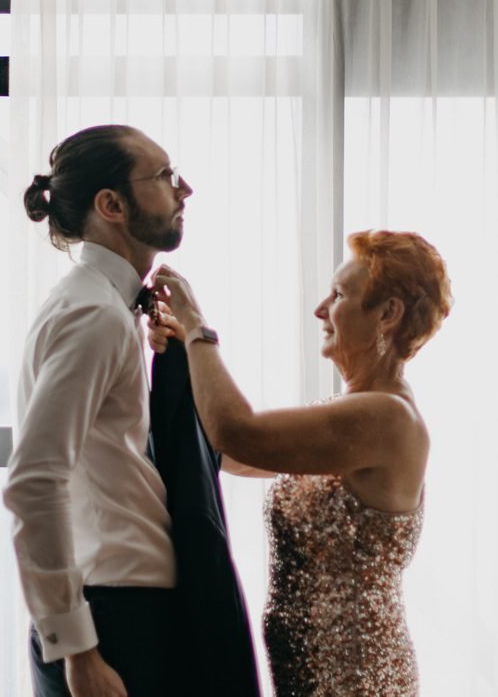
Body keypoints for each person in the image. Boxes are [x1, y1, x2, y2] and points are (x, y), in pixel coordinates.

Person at [149, 230, 452, 697]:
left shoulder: (386, 417)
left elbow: (238, 432)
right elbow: (233, 455)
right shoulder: (358, 412)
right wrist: (179, 360)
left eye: (339, 295)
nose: (320, 308)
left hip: (354, 679)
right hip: (312, 674)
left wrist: (197, 329)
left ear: (387, 314)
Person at [3, 124, 195, 697]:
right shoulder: (95, 314)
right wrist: (79, 650)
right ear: (111, 205)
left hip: (115, 606)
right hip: (112, 618)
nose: (185, 190)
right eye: (164, 176)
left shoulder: (101, 306)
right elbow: (34, 480)